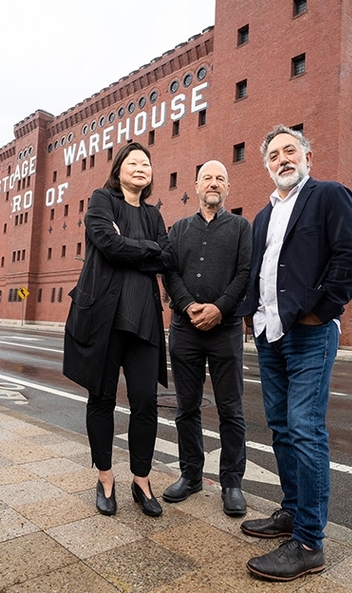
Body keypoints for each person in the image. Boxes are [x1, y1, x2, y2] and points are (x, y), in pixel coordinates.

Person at [236, 125, 352, 581]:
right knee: (280, 428)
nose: (282, 159)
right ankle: (291, 512)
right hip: (269, 333)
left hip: (309, 333)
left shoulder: (328, 195)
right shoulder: (262, 216)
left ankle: (310, 542)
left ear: (308, 157)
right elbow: (259, 270)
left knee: (305, 429)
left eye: (290, 151)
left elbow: (350, 258)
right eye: (274, 155)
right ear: (267, 166)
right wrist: (252, 315)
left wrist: (320, 312)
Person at [63, 142, 172, 518]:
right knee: (101, 399)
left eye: (146, 164)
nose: (140, 168)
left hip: (144, 321)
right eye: (133, 162)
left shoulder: (154, 214)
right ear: (119, 169)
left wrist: (133, 246)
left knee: (145, 401)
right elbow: (107, 245)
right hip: (103, 320)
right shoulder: (101, 200)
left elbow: (167, 257)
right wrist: (148, 249)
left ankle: (141, 480)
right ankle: (105, 478)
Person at [161, 160, 252, 516]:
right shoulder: (179, 229)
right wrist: (187, 305)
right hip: (185, 330)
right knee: (186, 407)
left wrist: (219, 308)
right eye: (207, 178)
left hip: (225, 330)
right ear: (197, 186)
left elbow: (245, 273)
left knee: (231, 409)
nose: (213, 183)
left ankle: (232, 483)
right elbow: (169, 272)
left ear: (228, 188)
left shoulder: (241, 228)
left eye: (220, 179)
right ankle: (191, 475)